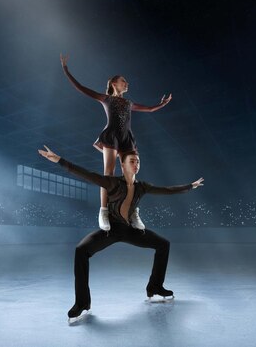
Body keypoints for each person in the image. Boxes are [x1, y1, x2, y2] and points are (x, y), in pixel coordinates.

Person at [37, 145, 204, 321]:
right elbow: (86, 174)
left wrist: (190, 186)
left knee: (163, 244)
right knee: (81, 250)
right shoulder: (113, 183)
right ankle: (82, 303)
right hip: (112, 230)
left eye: (138, 161)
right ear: (122, 165)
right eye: (132, 161)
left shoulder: (142, 186)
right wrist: (59, 160)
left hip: (131, 230)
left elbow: (166, 190)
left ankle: (155, 286)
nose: (136, 164)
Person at [60, 54, 173, 231]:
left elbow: (149, 109)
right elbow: (81, 88)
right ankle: (104, 211)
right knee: (109, 173)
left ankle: (132, 211)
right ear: (114, 84)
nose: (127, 83)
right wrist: (66, 70)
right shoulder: (106, 99)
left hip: (127, 137)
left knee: (131, 175)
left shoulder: (128, 102)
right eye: (123, 81)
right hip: (111, 136)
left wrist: (161, 104)